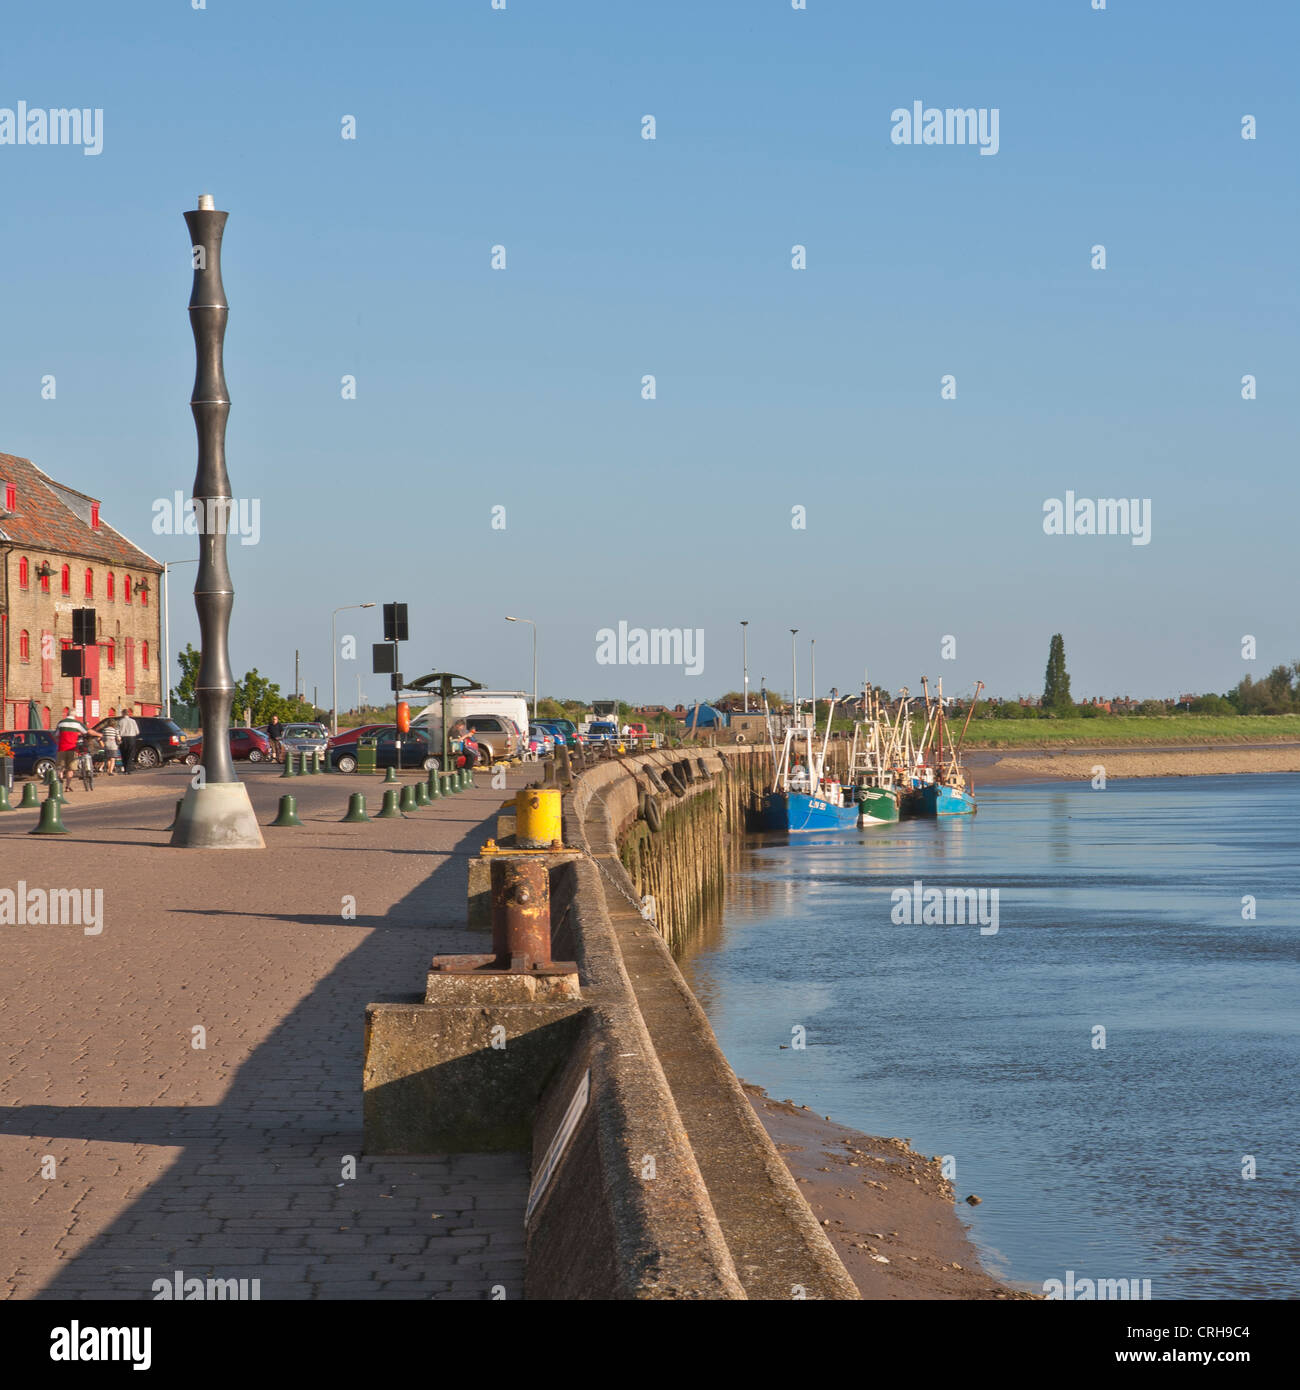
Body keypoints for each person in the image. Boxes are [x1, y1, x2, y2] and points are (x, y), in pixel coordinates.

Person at [54, 712, 99, 794]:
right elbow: (87, 731)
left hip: (61, 748)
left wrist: (59, 742)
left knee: (60, 767)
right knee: (70, 769)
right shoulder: (76, 723)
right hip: (73, 748)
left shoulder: (61, 723)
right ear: (74, 715)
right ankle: (67, 787)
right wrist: (99, 734)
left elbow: (56, 735)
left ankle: (59, 781)